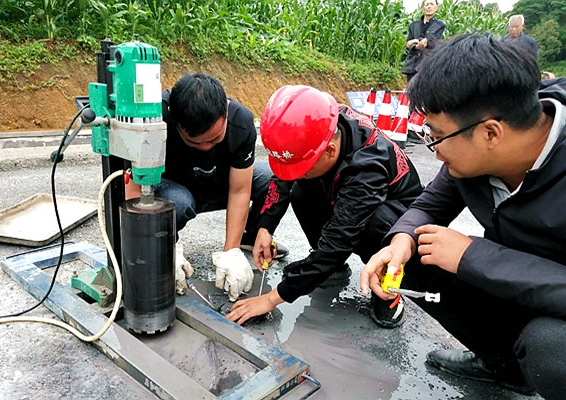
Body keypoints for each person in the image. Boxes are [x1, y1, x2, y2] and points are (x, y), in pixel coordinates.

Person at [360, 33, 566, 399]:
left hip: (554, 313)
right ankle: (502, 365)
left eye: (437, 137)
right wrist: (401, 241)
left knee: (552, 349)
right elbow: (429, 204)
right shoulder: (475, 153)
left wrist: (473, 256)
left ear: (491, 133)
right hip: (515, 283)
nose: (434, 150)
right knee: (413, 252)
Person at [226, 85, 423, 326]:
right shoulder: (320, 122)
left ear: (329, 151)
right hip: (346, 192)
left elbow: (338, 241)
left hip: (398, 219)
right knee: (301, 190)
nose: (298, 173)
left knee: (375, 223)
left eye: (303, 167)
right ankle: (330, 268)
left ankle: (388, 288)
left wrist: (271, 298)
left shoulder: (367, 168)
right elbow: (285, 172)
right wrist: (265, 227)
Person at [126, 73, 287, 300]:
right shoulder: (154, 119)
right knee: (179, 201)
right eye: (194, 142)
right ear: (174, 119)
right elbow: (134, 189)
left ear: (226, 109)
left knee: (272, 179)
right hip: (175, 191)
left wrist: (230, 252)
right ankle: (166, 244)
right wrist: (154, 250)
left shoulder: (240, 122)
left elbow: (240, 190)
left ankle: (248, 237)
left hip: (218, 184)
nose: (205, 147)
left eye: (214, 139)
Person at [401, 0, 445, 83]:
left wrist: (416, 41)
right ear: (423, 8)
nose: (429, 7)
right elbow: (408, 44)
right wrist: (416, 46)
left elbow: (435, 43)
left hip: (427, 65)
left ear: (436, 8)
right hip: (412, 65)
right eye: (427, 4)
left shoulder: (440, 25)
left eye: (432, 4)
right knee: (411, 89)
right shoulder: (413, 25)